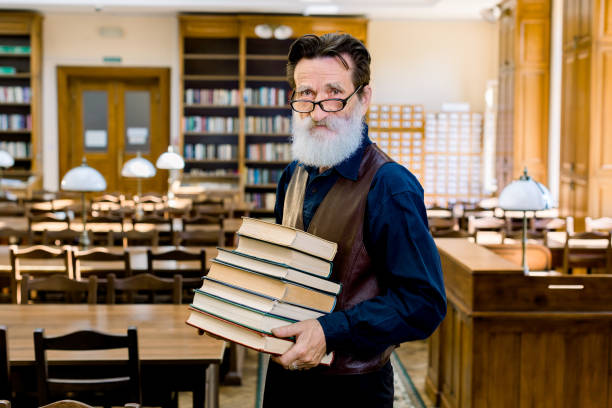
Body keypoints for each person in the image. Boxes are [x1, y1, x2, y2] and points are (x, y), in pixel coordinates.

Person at [261, 33, 447, 408]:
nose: (317, 112)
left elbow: (424, 303)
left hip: (350, 388)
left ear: (363, 99)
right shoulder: (292, 174)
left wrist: (330, 331)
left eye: (333, 94)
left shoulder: (390, 185)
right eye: (306, 94)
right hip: (284, 378)